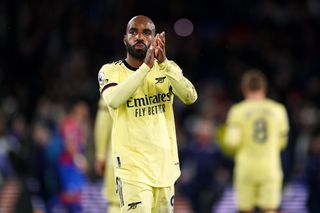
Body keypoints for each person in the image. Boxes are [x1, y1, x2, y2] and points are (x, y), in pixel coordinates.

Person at [97, 15, 197, 212]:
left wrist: (165, 64)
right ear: (125, 39)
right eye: (133, 32)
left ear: (154, 39)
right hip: (132, 170)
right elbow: (114, 100)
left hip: (165, 169)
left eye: (146, 32)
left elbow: (190, 97)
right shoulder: (110, 71)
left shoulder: (168, 69)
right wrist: (145, 69)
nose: (139, 37)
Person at [223, 69, 289, 213]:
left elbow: (231, 141)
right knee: (270, 209)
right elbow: (283, 143)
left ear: (244, 88)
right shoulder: (278, 110)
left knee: (246, 209)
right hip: (270, 167)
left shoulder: (237, 110)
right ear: (264, 88)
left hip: (246, 168)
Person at [94, 97, 120, 213]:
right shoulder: (152, 82)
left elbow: (102, 124)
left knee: (116, 202)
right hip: (151, 160)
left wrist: (100, 156)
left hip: (118, 158)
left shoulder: (112, 82)